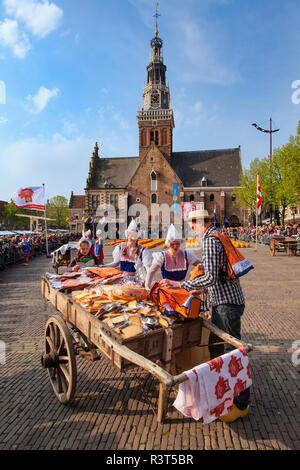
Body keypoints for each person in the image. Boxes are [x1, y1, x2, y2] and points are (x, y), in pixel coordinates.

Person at [161, 209, 250, 423]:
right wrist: (200, 291)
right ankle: (225, 395)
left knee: (230, 353)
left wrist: (180, 284)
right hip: (230, 301)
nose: (192, 228)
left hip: (226, 305)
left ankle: (240, 403)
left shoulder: (210, 240)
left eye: (193, 224)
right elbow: (219, 276)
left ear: (200, 222)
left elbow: (209, 277)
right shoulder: (219, 235)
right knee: (217, 348)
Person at [145, 224, 201, 290]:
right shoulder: (162, 256)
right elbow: (151, 271)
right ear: (168, 244)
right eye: (172, 244)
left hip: (181, 288)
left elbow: (199, 264)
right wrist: (147, 286)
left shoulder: (186, 255)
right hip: (167, 289)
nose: (175, 246)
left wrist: (196, 273)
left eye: (177, 244)